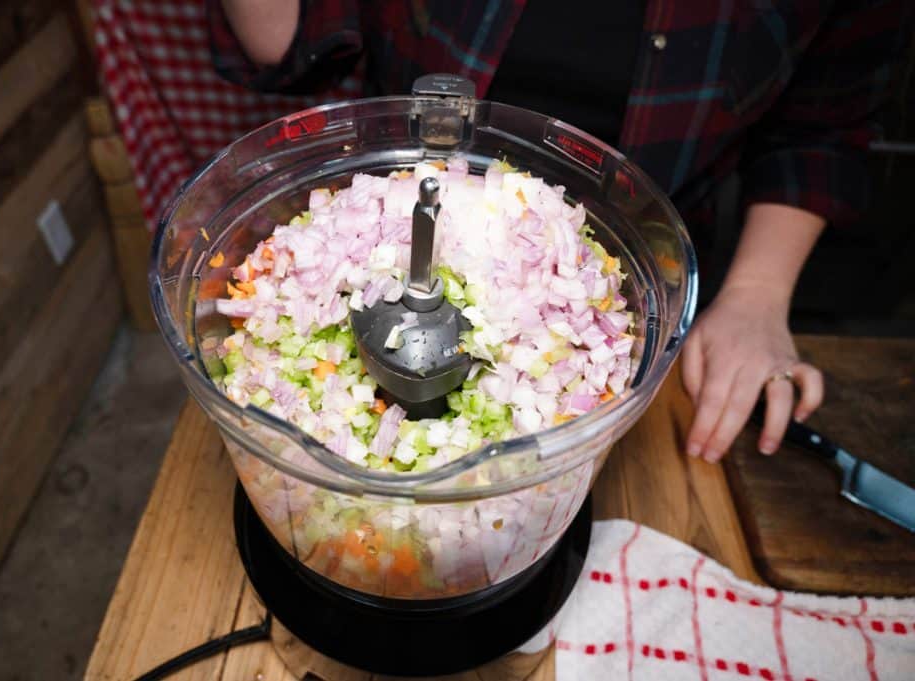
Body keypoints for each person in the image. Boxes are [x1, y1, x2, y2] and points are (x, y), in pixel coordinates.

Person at [207, 0, 910, 462]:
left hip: (628, 300)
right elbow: (287, 40)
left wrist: (756, 294)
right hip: (383, 215)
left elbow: (828, 117)